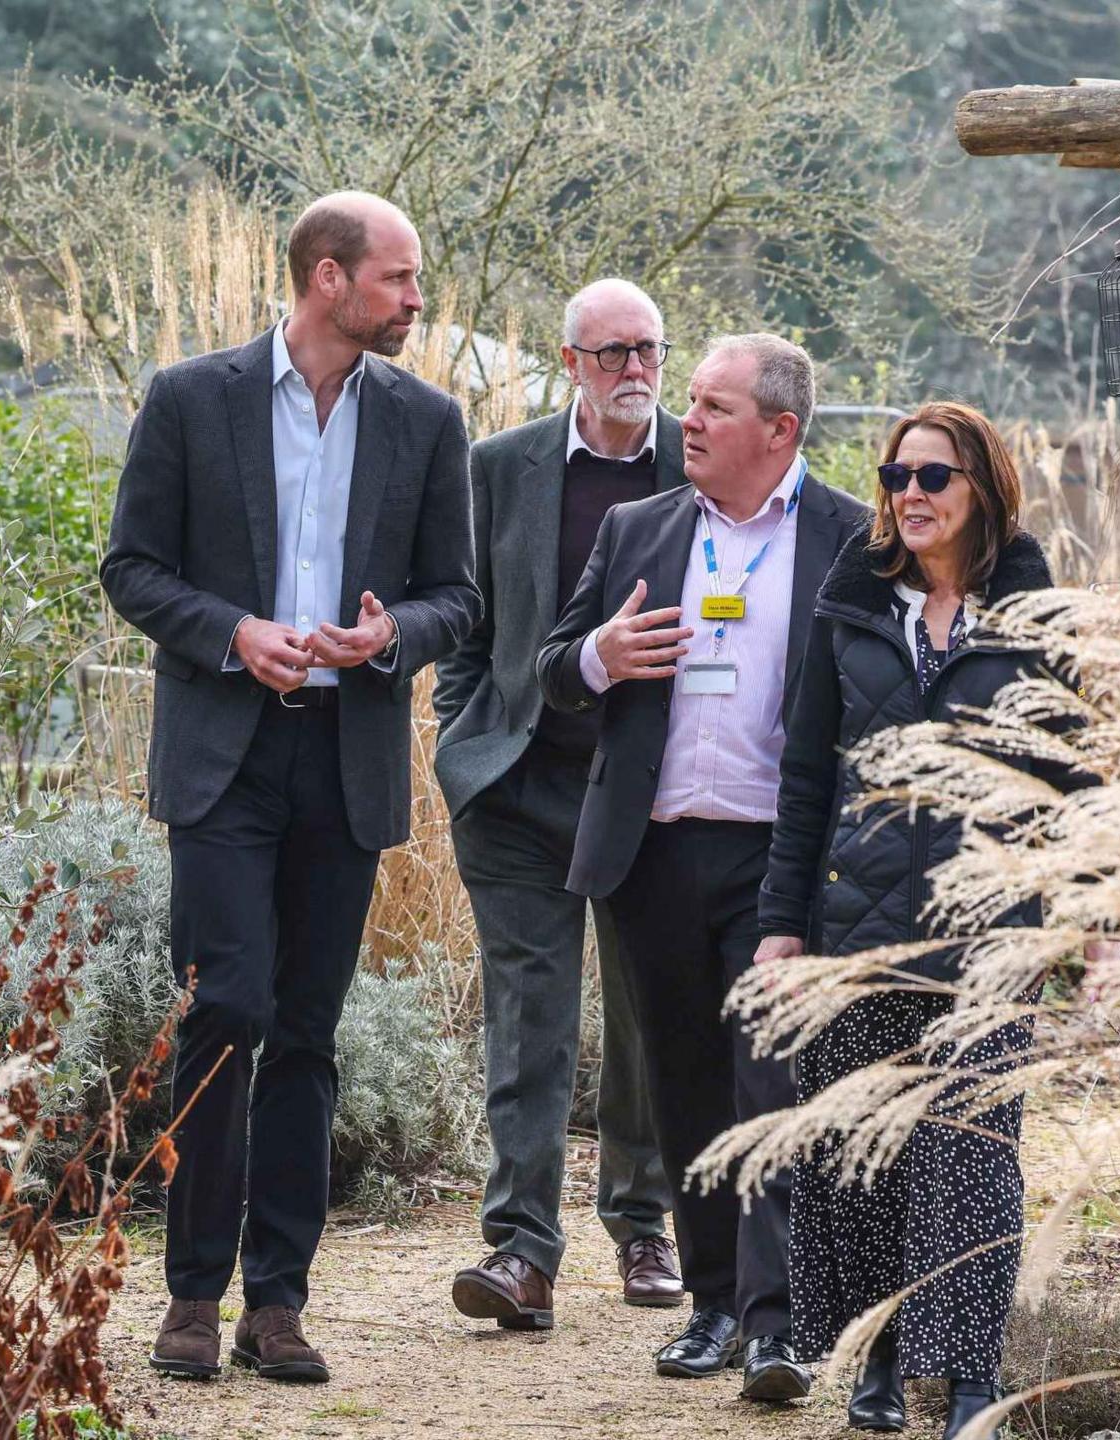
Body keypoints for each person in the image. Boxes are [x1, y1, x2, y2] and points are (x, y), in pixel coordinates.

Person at [99, 191, 480, 1387]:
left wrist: (393, 635)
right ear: (328, 277)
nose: (416, 301)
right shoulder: (189, 397)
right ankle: (193, 1298)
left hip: (345, 757)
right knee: (225, 1012)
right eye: (399, 280)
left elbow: (457, 599)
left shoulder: (430, 421)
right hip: (223, 756)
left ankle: (279, 1304)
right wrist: (232, 634)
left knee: (307, 1033)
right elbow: (131, 568)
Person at [753, 401, 1120, 1437]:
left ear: (984, 492)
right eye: (895, 477)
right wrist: (783, 924)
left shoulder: (1032, 616)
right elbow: (804, 777)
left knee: (967, 1153)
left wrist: (1096, 931)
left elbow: (1073, 783)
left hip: (988, 932)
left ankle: (963, 1382)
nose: (908, 495)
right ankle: (872, 1367)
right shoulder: (851, 604)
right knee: (861, 1156)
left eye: (932, 478)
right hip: (856, 924)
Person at [535, 333, 868, 1403]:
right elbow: (552, 671)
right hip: (655, 852)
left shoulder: (852, 538)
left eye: (712, 407)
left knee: (769, 1083)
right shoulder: (641, 526)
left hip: (783, 862)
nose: (688, 422)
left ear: (780, 430)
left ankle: (778, 1329)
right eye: (691, 403)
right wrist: (601, 658)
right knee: (682, 1082)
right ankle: (716, 1303)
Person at [434, 279, 684, 1330]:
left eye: (648, 351)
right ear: (571, 360)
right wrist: (464, 743)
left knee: (643, 1016)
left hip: (651, 791)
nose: (633, 370)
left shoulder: (701, 462)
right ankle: (521, 1254)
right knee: (529, 1022)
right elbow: (466, 626)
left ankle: (641, 1226)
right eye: (611, 353)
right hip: (519, 788)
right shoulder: (500, 468)